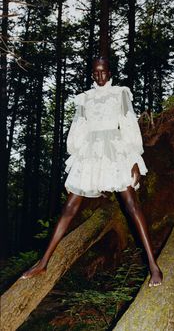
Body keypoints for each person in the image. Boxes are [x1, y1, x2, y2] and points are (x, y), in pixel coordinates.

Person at [21, 57, 163, 287]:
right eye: (96, 73)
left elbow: (129, 125)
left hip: (116, 152)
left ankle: (153, 265)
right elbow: (78, 130)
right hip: (90, 154)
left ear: (109, 72)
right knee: (70, 206)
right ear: (92, 75)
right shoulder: (84, 99)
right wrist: (76, 161)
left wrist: (135, 159)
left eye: (103, 72)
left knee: (132, 205)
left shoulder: (121, 94)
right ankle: (43, 262)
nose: (100, 76)